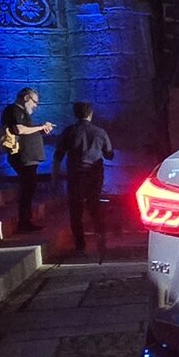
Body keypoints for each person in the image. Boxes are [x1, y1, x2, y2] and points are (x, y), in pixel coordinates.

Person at [53, 102, 114, 255]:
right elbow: (109, 155)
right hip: (94, 175)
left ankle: (80, 245)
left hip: (75, 175)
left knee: (76, 209)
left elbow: (58, 154)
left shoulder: (69, 131)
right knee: (95, 206)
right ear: (90, 114)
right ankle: (100, 238)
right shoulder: (99, 132)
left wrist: (55, 173)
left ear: (75, 114)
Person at [1, 88, 54, 233]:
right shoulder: (14, 110)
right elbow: (19, 130)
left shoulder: (21, 112)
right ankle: (24, 222)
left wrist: (40, 129)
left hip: (29, 158)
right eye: (34, 102)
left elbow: (26, 130)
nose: (36, 106)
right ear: (26, 98)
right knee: (27, 188)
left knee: (29, 188)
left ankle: (26, 221)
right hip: (23, 158)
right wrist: (40, 127)